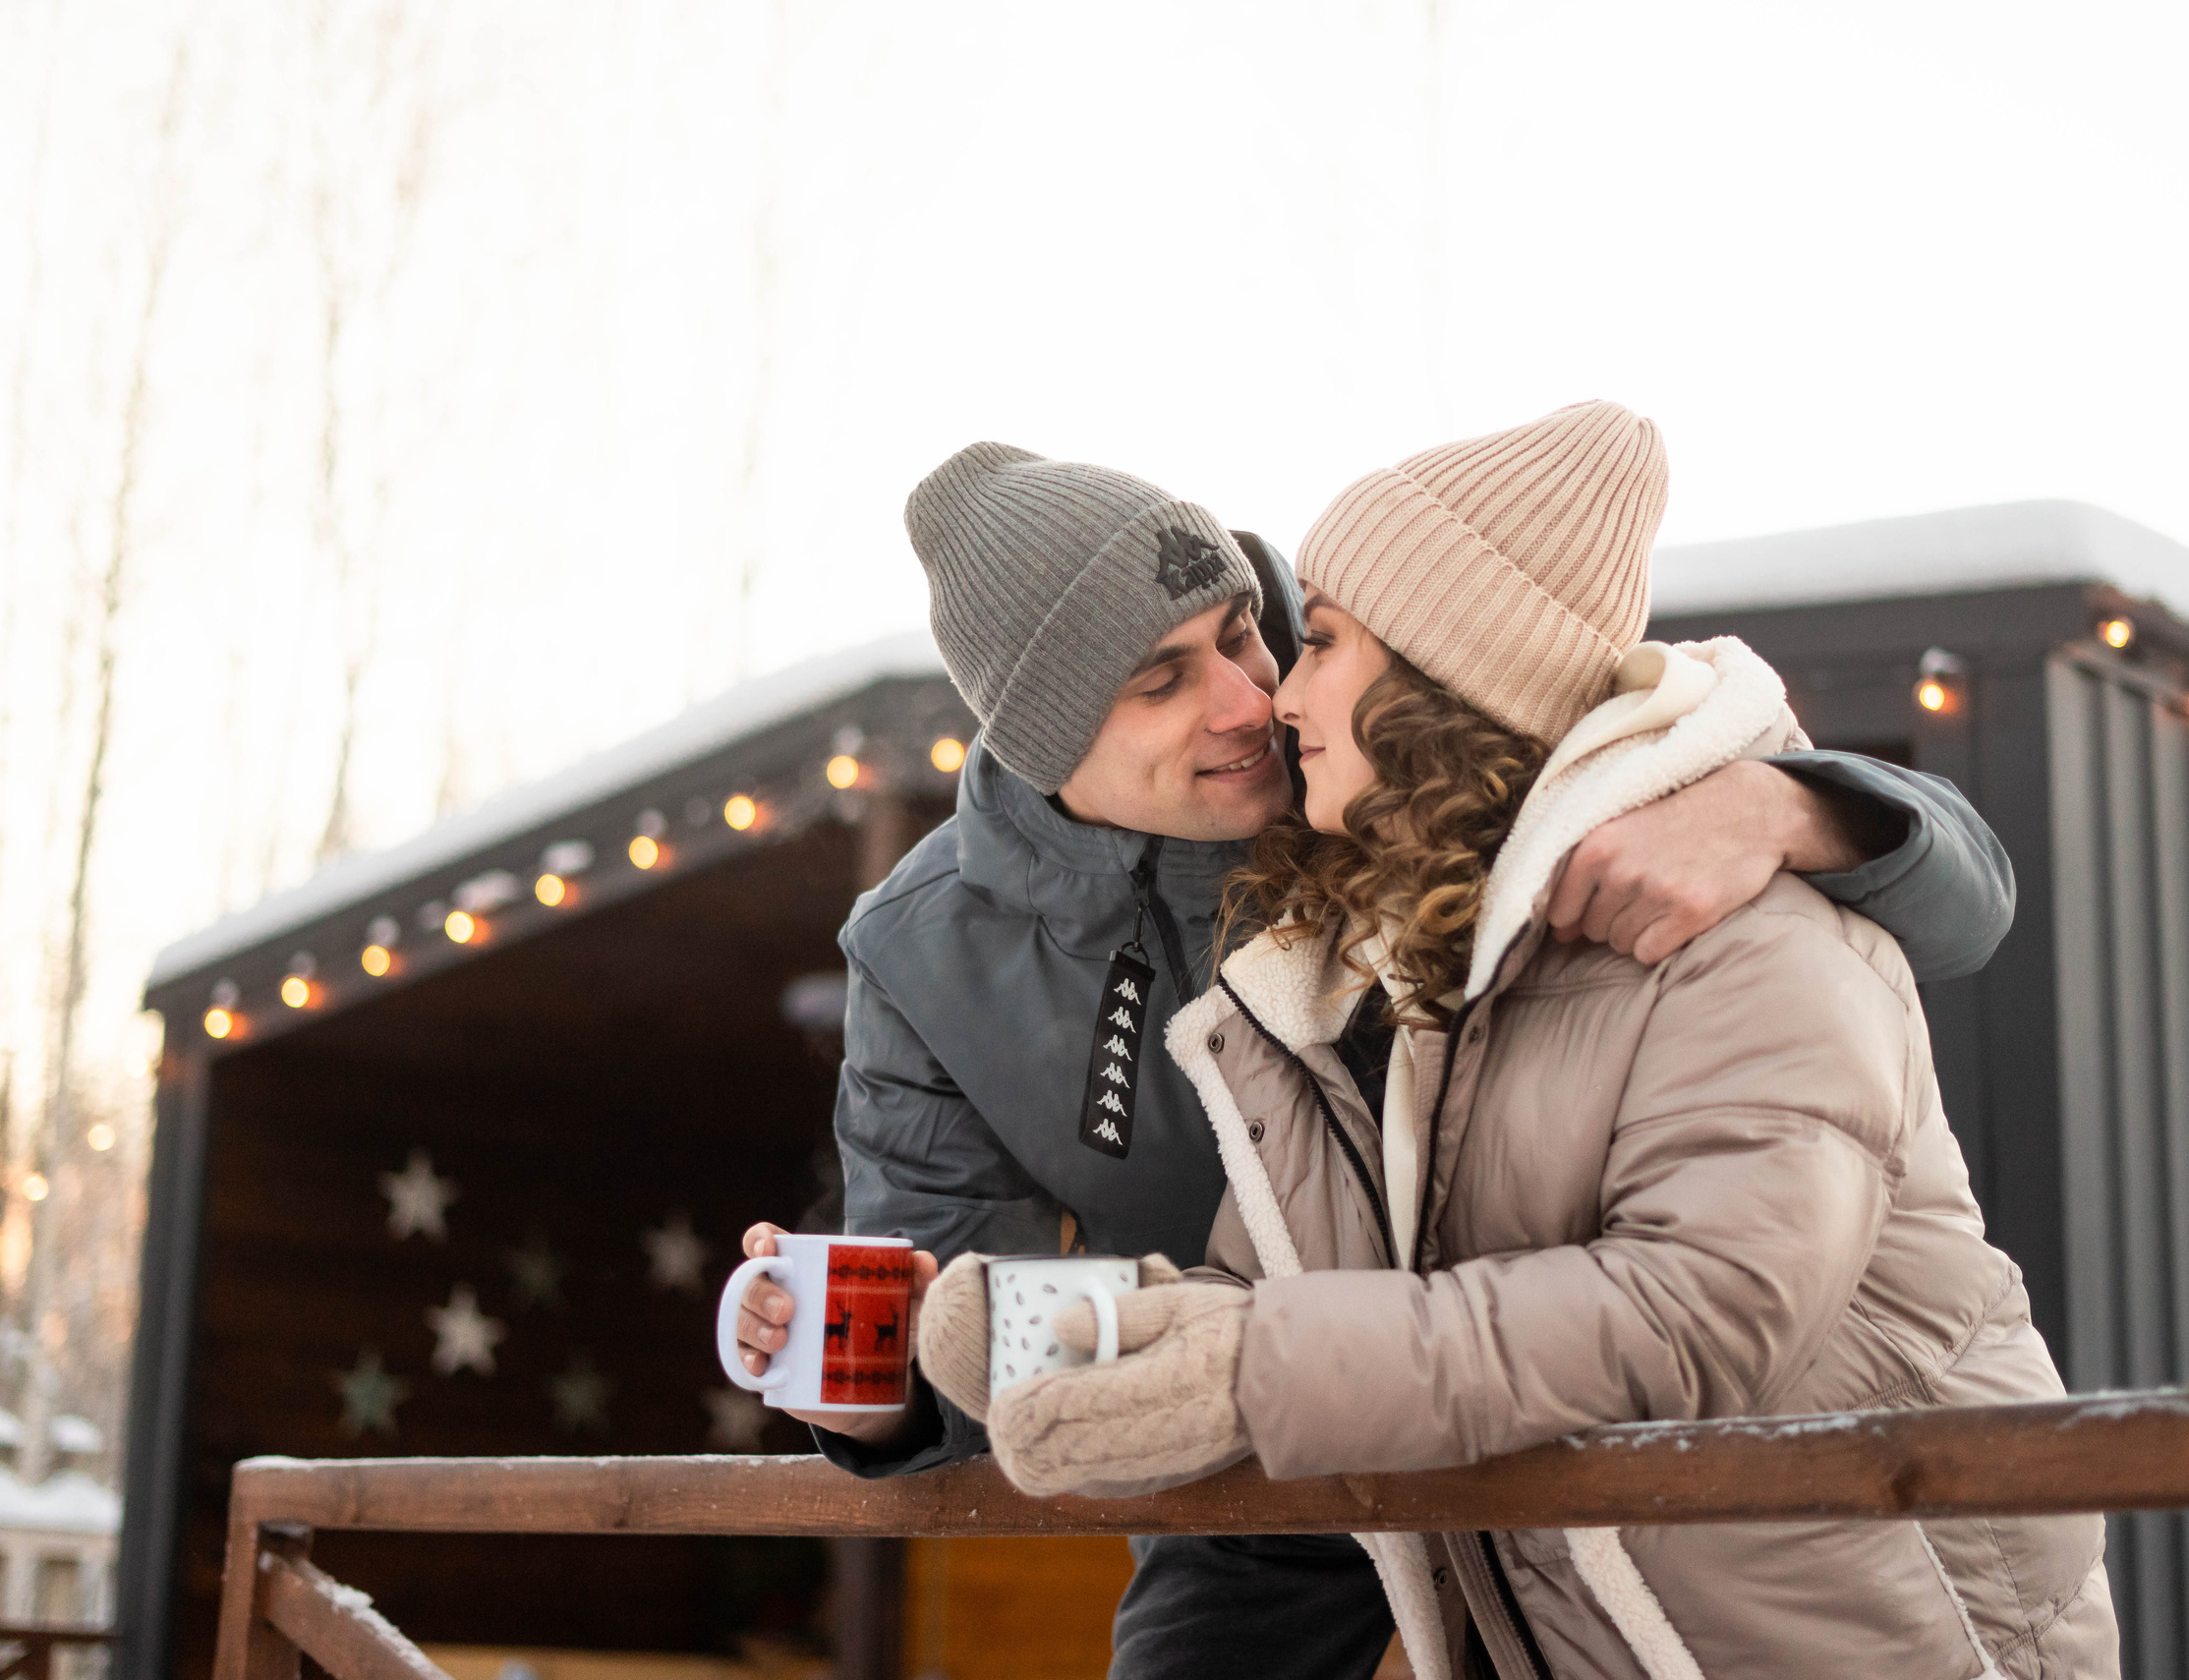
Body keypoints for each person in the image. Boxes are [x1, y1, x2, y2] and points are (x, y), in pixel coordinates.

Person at [737, 438, 2027, 1680]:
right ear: (1044, 741)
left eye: (1244, 633)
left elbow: (1895, 882)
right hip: (1255, 1453)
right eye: (1162, 681)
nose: (1249, 698)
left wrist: (1789, 801)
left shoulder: (1375, 739)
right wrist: (898, 1382)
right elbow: (979, 1310)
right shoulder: (930, 956)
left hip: (1554, 1405)